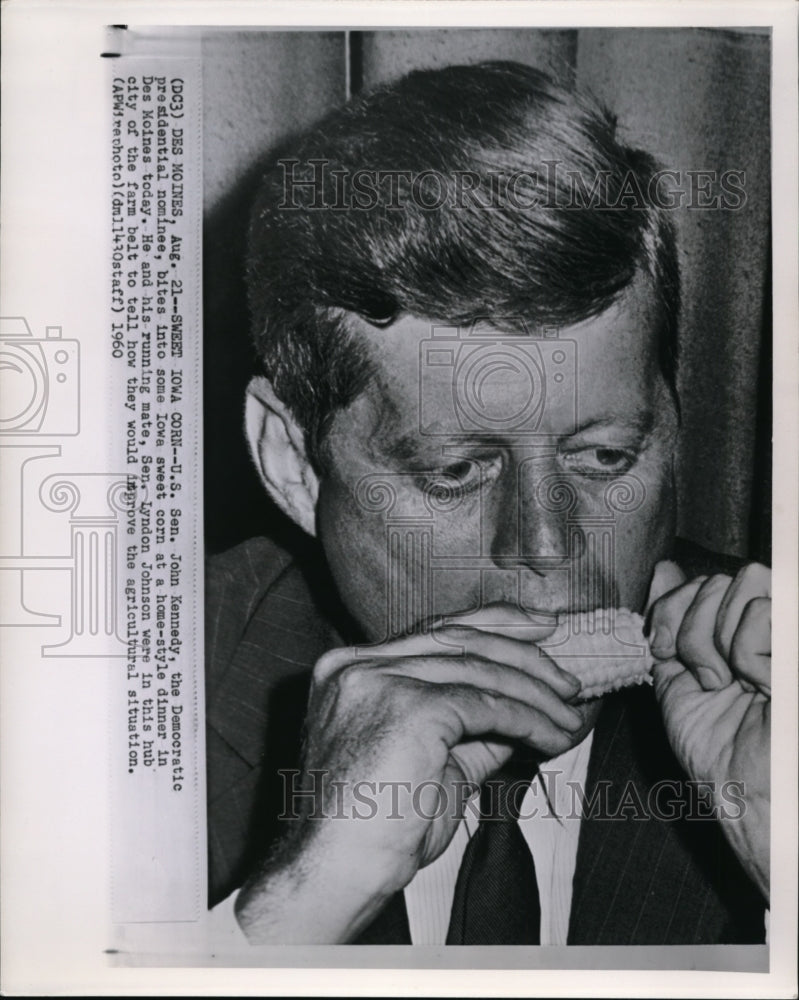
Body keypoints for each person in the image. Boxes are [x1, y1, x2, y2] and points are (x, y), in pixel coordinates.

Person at [205, 61, 770, 945]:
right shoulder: (138, 703)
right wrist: (294, 911)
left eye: (605, 456)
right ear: (293, 462)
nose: (549, 550)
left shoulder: (769, 692)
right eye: (456, 472)